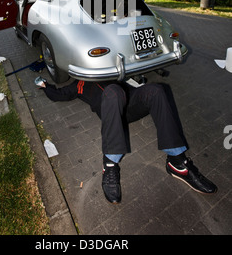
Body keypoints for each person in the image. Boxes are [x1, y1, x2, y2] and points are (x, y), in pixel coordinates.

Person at [36, 77, 217, 204]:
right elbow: (58, 94)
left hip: (130, 103)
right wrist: (45, 86)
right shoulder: (78, 84)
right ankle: (110, 165)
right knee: (113, 91)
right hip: (112, 110)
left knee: (156, 90)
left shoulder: (109, 69)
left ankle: (178, 163)